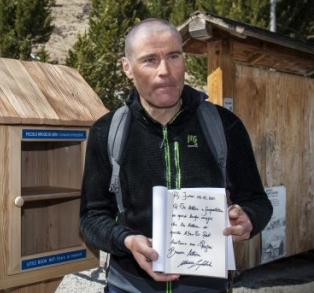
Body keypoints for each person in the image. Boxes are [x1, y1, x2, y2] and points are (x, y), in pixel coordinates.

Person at [79, 18, 273, 293]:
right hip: (129, 286)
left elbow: (257, 201)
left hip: (207, 287)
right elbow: (91, 217)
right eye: (150, 60)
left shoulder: (225, 126)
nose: (165, 71)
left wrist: (249, 219)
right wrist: (128, 241)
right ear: (128, 68)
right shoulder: (106, 131)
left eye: (173, 56)